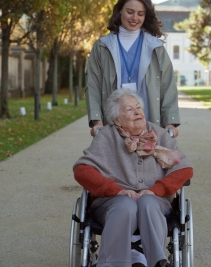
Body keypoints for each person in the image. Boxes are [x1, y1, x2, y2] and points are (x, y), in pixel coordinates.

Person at [74, 88, 193, 267]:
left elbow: (184, 169)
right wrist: (116, 190)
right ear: (116, 119)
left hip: (155, 200)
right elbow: (82, 170)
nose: (137, 111)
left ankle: (157, 263)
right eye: (129, 110)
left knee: (147, 202)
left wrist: (156, 191)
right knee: (126, 205)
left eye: (139, 107)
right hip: (112, 201)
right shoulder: (107, 136)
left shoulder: (160, 134)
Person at [86, 0, 180, 139]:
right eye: (130, 12)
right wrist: (97, 121)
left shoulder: (156, 47)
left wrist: (170, 122)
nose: (134, 18)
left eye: (140, 14)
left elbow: (167, 86)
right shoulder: (102, 46)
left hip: (148, 118)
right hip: (115, 119)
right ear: (120, 11)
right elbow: (93, 85)